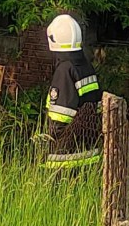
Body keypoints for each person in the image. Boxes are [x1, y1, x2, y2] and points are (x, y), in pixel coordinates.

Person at [42, 13, 102, 169]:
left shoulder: (64, 70)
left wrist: (47, 142)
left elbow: (59, 118)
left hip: (64, 157)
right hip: (89, 151)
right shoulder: (86, 66)